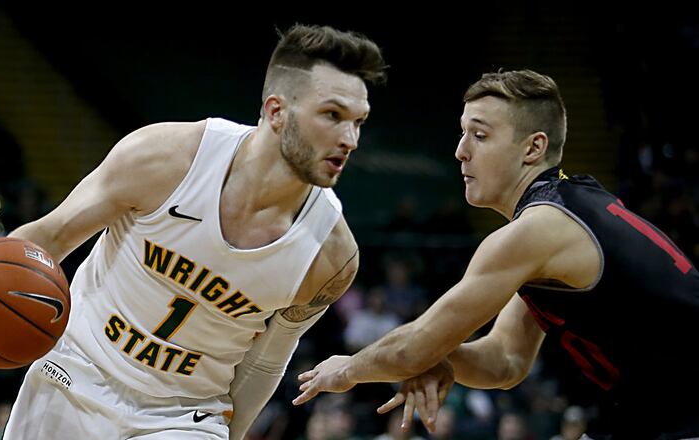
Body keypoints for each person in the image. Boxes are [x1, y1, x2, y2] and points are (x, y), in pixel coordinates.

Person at [0, 24, 387, 439]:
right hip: (76, 372)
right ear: (276, 110)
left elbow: (265, 361)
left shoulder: (331, 256)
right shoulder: (165, 157)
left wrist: (232, 433)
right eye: (332, 115)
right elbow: (53, 234)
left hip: (183, 419)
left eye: (358, 122)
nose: (350, 139)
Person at [293, 70, 699, 439]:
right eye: (462, 133)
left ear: (533, 148)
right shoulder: (563, 213)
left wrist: (348, 368)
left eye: (480, 135)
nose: (460, 152)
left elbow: (412, 347)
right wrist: (442, 358)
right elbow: (505, 360)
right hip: (651, 415)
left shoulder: (540, 229)